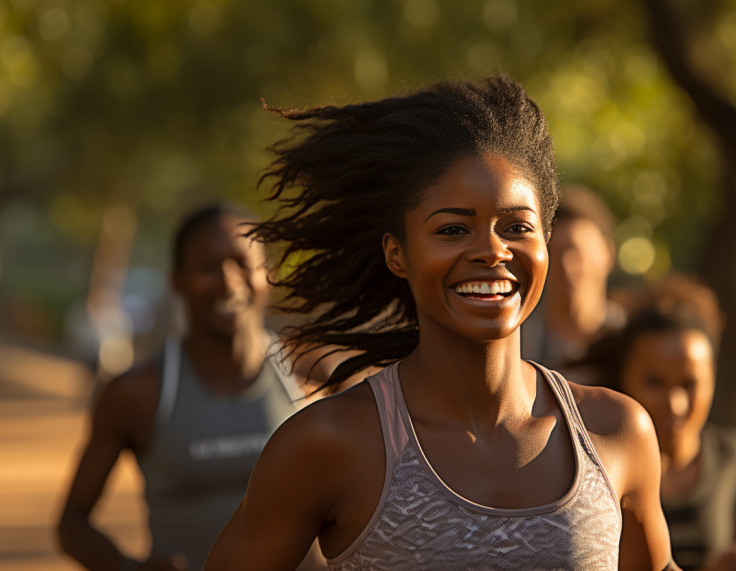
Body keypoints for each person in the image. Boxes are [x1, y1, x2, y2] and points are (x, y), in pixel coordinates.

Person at [205, 76, 678, 570]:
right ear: (397, 253)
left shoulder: (618, 432)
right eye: (453, 229)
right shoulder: (329, 444)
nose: (492, 251)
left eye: (517, 227)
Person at [57, 203, 325, 571]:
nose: (229, 281)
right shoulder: (138, 392)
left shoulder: (311, 377)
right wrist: (128, 568)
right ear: (177, 281)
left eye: (242, 263)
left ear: (269, 274)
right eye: (207, 267)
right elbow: (71, 524)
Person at [587, 274, 736, 571]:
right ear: (623, 378)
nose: (675, 403)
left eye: (690, 383)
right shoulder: (597, 467)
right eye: (655, 382)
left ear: (713, 378)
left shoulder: (729, 455)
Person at [521, 184, 624, 384]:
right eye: (554, 253)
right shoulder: (515, 346)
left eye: (577, 253)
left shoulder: (633, 342)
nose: (567, 266)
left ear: (607, 255)